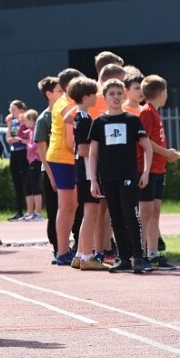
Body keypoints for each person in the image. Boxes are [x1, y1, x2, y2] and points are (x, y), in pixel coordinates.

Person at [88, 79, 153, 274]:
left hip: (128, 176)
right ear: (105, 98)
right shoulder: (99, 122)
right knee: (115, 218)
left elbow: (147, 147)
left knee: (131, 216)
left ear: (124, 96)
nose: (116, 97)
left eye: (119, 93)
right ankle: (123, 258)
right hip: (108, 177)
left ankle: (139, 258)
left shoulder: (132, 120)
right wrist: (93, 180)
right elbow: (93, 153)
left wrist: (146, 172)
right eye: (112, 94)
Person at [66, 77, 109, 271]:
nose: (96, 97)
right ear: (86, 96)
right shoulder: (84, 119)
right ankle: (87, 255)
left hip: (82, 171)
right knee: (90, 213)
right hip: (86, 172)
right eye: (94, 94)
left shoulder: (78, 116)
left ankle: (79, 254)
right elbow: (84, 149)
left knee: (87, 214)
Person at [138, 75, 180, 270]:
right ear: (161, 93)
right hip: (148, 168)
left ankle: (153, 253)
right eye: (166, 92)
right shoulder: (147, 112)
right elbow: (144, 141)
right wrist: (167, 153)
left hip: (158, 168)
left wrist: (165, 155)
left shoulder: (155, 112)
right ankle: (140, 253)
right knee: (145, 213)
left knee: (155, 212)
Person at [46, 68, 84, 265]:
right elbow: (70, 142)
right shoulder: (66, 104)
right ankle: (62, 251)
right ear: (70, 86)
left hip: (66, 158)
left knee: (72, 205)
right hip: (63, 158)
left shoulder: (67, 102)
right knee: (67, 206)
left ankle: (64, 249)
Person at [34, 76, 63, 259]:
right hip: (52, 171)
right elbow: (42, 153)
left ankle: (75, 245)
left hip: (68, 168)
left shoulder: (67, 114)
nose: (63, 94)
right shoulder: (44, 119)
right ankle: (57, 248)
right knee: (54, 212)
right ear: (49, 94)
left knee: (74, 210)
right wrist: (52, 177)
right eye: (60, 91)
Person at [5, 100, 29, 221]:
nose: (11, 112)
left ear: (21, 110)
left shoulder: (25, 120)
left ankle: (29, 210)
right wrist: (9, 125)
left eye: (13, 109)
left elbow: (25, 138)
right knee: (16, 183)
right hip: (14, 153)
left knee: (26, 181)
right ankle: (19, 211)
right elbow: (8, 139)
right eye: (10, 109)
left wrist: (18, 139)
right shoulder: (12, 122)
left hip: (24, 153)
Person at [21, 109, 43, 221]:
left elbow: (35, 146)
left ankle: (38, 213)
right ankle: (30, 212)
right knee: (27, 187)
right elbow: (21, 133)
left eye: (27, 120)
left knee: (34, 186)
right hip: (31, 161)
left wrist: (26, 143)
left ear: (32, 120)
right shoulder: (29, 131)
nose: (25, 122)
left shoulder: (35, 131)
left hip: (36, 161)